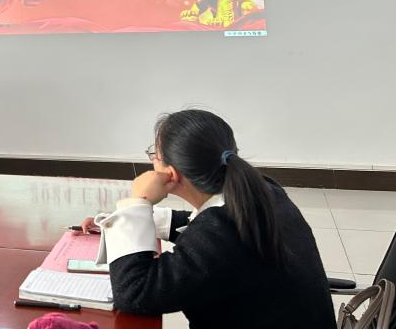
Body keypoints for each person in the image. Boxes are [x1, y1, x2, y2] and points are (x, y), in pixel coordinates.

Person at [89, 109, 335, 328]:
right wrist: (134, 221)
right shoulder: (263, 191)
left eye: (154, 155)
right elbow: (208, 227)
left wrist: (137, 203)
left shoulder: (219, 235)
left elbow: (134, 292)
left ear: (171, 174)